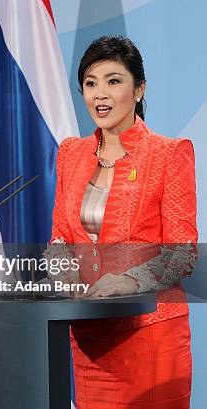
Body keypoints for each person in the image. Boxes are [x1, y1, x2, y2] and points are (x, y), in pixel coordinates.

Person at [50, 35, 198, 409]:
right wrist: (63, 273)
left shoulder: (169, 154)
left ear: (139, 88)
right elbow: (58, 240)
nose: (100, 94)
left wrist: (129, 281)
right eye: (90, 83)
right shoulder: (70, 153)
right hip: (90, 339)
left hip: (150, 337)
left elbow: (182, 254)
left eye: (113, 80)